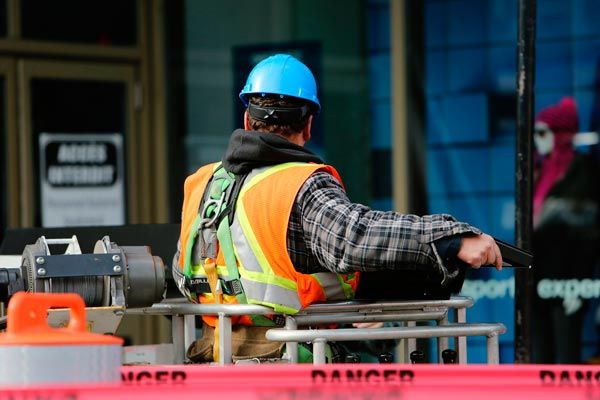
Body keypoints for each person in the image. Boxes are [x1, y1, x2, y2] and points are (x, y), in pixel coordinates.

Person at [172, 54, 502, 363]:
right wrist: (451, 238)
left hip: (213, 363)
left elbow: (183, 271)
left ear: (246, 118)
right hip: (288, 367)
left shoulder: (201, 184)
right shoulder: (299, 184)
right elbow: (354, 237)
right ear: (309, 125)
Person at [531, 97, 600, 364]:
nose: (538, 139)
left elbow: (587, 232)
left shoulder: (582, 171)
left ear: (560, 134)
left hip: (567, 279)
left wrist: (578, 284)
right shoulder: (537, 171)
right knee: (540, 355)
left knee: (566, 355)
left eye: (542, 132)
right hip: (537, 277)